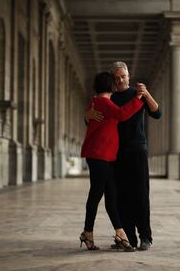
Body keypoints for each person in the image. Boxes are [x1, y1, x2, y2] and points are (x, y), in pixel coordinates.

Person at [86, 62, 161, 251]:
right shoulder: (109, 98)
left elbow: (157, 113)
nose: (120, 80)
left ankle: (145, 237)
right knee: (121, 197)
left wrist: (146, 94)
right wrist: (87, 115)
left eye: (123, 76)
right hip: (115, 153)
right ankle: (128, 239)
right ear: (113, 79)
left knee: (140, 194)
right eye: (116, 77)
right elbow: (92, 121)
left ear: (129, 76)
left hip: (137, 149)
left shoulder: (137, 94)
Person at [79, 71, 144, 252]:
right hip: (99, 154)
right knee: (97, 194)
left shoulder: (97, 102)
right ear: (111, 86)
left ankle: (119, 233)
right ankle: (88, 232)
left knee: (111, 195)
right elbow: (122, 114)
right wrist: (138, 98)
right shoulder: (104, 102)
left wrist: (87, 114)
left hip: (103, 155)